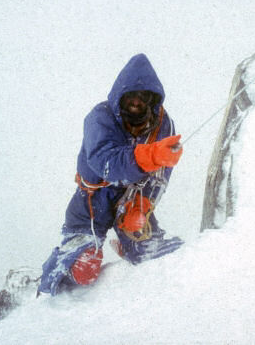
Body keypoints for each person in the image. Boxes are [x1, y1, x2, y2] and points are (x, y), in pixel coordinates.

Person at [37, 53, 184, 296]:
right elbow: (106, 162)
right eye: (130, 97)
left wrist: (145, 204)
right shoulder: (99, 118)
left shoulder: (162, 124)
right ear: (119, 98)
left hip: (132, 196)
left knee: (153, 253)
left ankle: (131, 245)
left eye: (143, 97)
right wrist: (149, 156)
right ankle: (47, 283)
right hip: (92, 202)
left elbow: (162, 172)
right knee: (84, 269)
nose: (136, 102)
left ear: (152, 100)